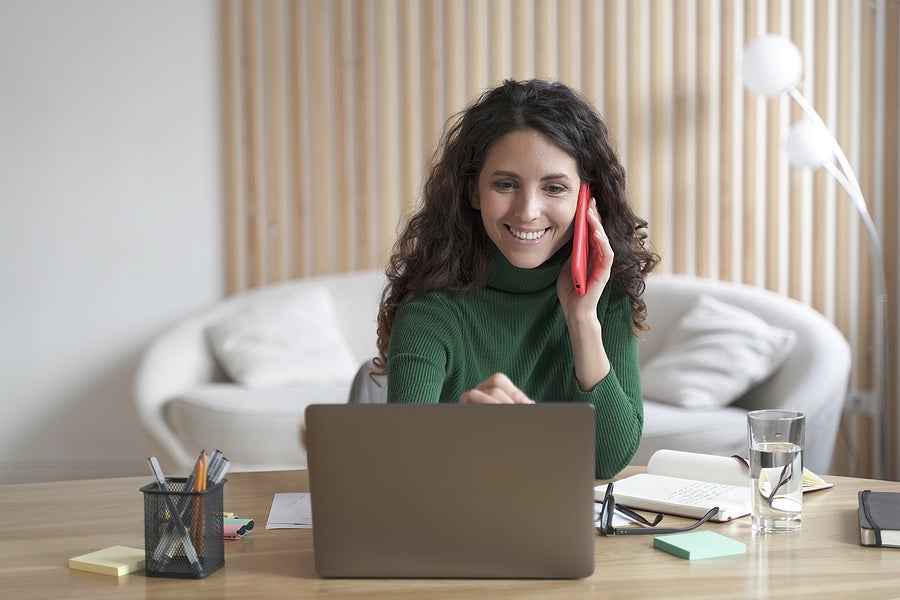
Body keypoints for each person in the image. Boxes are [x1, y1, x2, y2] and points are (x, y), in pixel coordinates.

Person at [373, 79, 659, 479]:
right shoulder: (431, 310)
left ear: (586, 198)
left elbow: (607, 461)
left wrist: (581, 320)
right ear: (474, 191)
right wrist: (459, 430)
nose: (527, 211)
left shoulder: (604, 297)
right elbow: (400, 470)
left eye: (554, 188)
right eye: (505, 184)